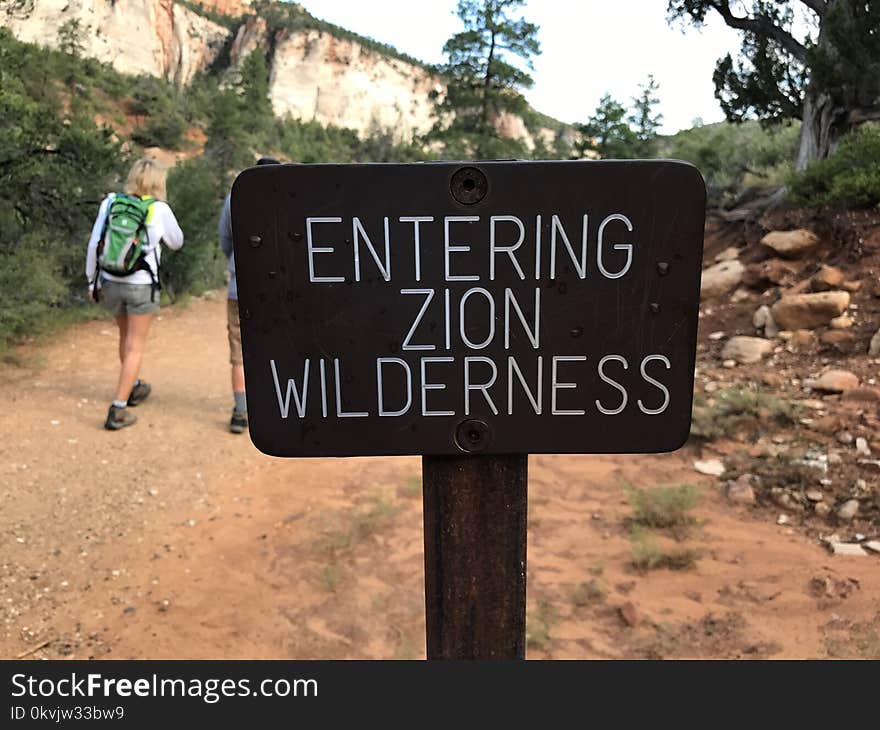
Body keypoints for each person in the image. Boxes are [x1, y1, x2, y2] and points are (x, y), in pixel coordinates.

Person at [85, 158, 184, 430]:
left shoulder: (111, 203)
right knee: (135, 345)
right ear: (158, 182)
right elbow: (177, 242)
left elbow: (95, 242)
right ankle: (118, 408)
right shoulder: (158, 208)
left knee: (124, 337)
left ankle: (132, 386)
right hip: (141, 283)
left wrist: (91, 281)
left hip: (111, 280)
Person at [219, 156, 281, 434]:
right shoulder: (287, 199)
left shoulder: (236, 198)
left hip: (241, 286)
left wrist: (238, 262)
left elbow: (225, 239)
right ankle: (280, 406)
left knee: (240, 351)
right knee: (282, 346)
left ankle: (241, 412)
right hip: (281, 289)